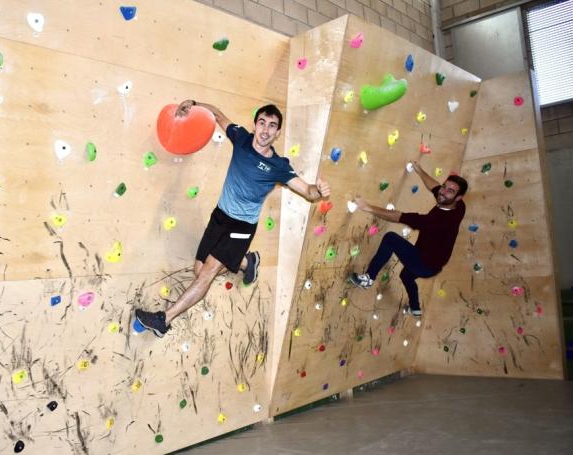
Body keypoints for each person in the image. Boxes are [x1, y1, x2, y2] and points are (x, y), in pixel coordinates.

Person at [135, 100, 331, 337]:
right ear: (255, 124)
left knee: (207, 273)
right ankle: (248, 263)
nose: (265, 130)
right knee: (199, 270)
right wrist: (194, 105)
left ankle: (164, 319)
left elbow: (308, 191)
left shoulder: (278, 166)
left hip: (242, 227)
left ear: (277, 132)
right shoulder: (241, 138)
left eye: (272, 126)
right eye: (262, 123)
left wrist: (318, 190)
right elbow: (218, 114)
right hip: (220, 216)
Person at [348, 161, 468, 317]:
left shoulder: (440, 221)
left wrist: (368, 207)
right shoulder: (459, 206)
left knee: (391, 238)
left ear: (458, 197)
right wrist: (419, 170)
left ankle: (368, 279)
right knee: (406, 275)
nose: (443, 192)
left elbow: (399, 216)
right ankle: (415, 308)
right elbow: (435, 187)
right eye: (445, 186)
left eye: (450, 191)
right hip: (434, 265)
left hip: (424, 264)